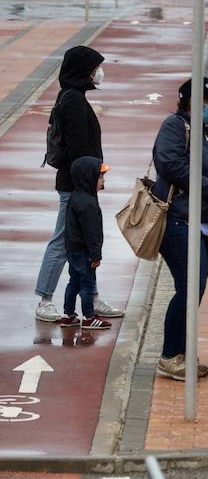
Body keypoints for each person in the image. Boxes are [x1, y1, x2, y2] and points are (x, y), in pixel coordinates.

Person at [153, 77, 208, 381]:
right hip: (178, 220)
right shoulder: (174, 127)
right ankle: (170, 356)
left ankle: (182, 353)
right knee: (189, 288)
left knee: (197, 287)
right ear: (193, 101)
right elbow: (171, 165)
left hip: (207, 223)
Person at [36, 46, 121, 322]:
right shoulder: (72, 100)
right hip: (75, 185)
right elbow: (76, 148)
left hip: (83, 185)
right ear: (84, 71)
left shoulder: (76, 97)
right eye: (96, 68)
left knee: (85, 243)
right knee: (63, 240)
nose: (99, 73)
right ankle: (45, 299)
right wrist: (90, 177)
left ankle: (91, 296)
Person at [57, 157, 112, 330]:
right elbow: (92, 233)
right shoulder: (89, 204)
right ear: (88, 178)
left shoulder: (75, 197)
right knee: (88, 284)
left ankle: (68, 315)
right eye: (100, 178)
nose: (103, 182)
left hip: (73, 249)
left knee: (74, 281)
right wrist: (96, 255)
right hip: (85, 251)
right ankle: (88, 317)